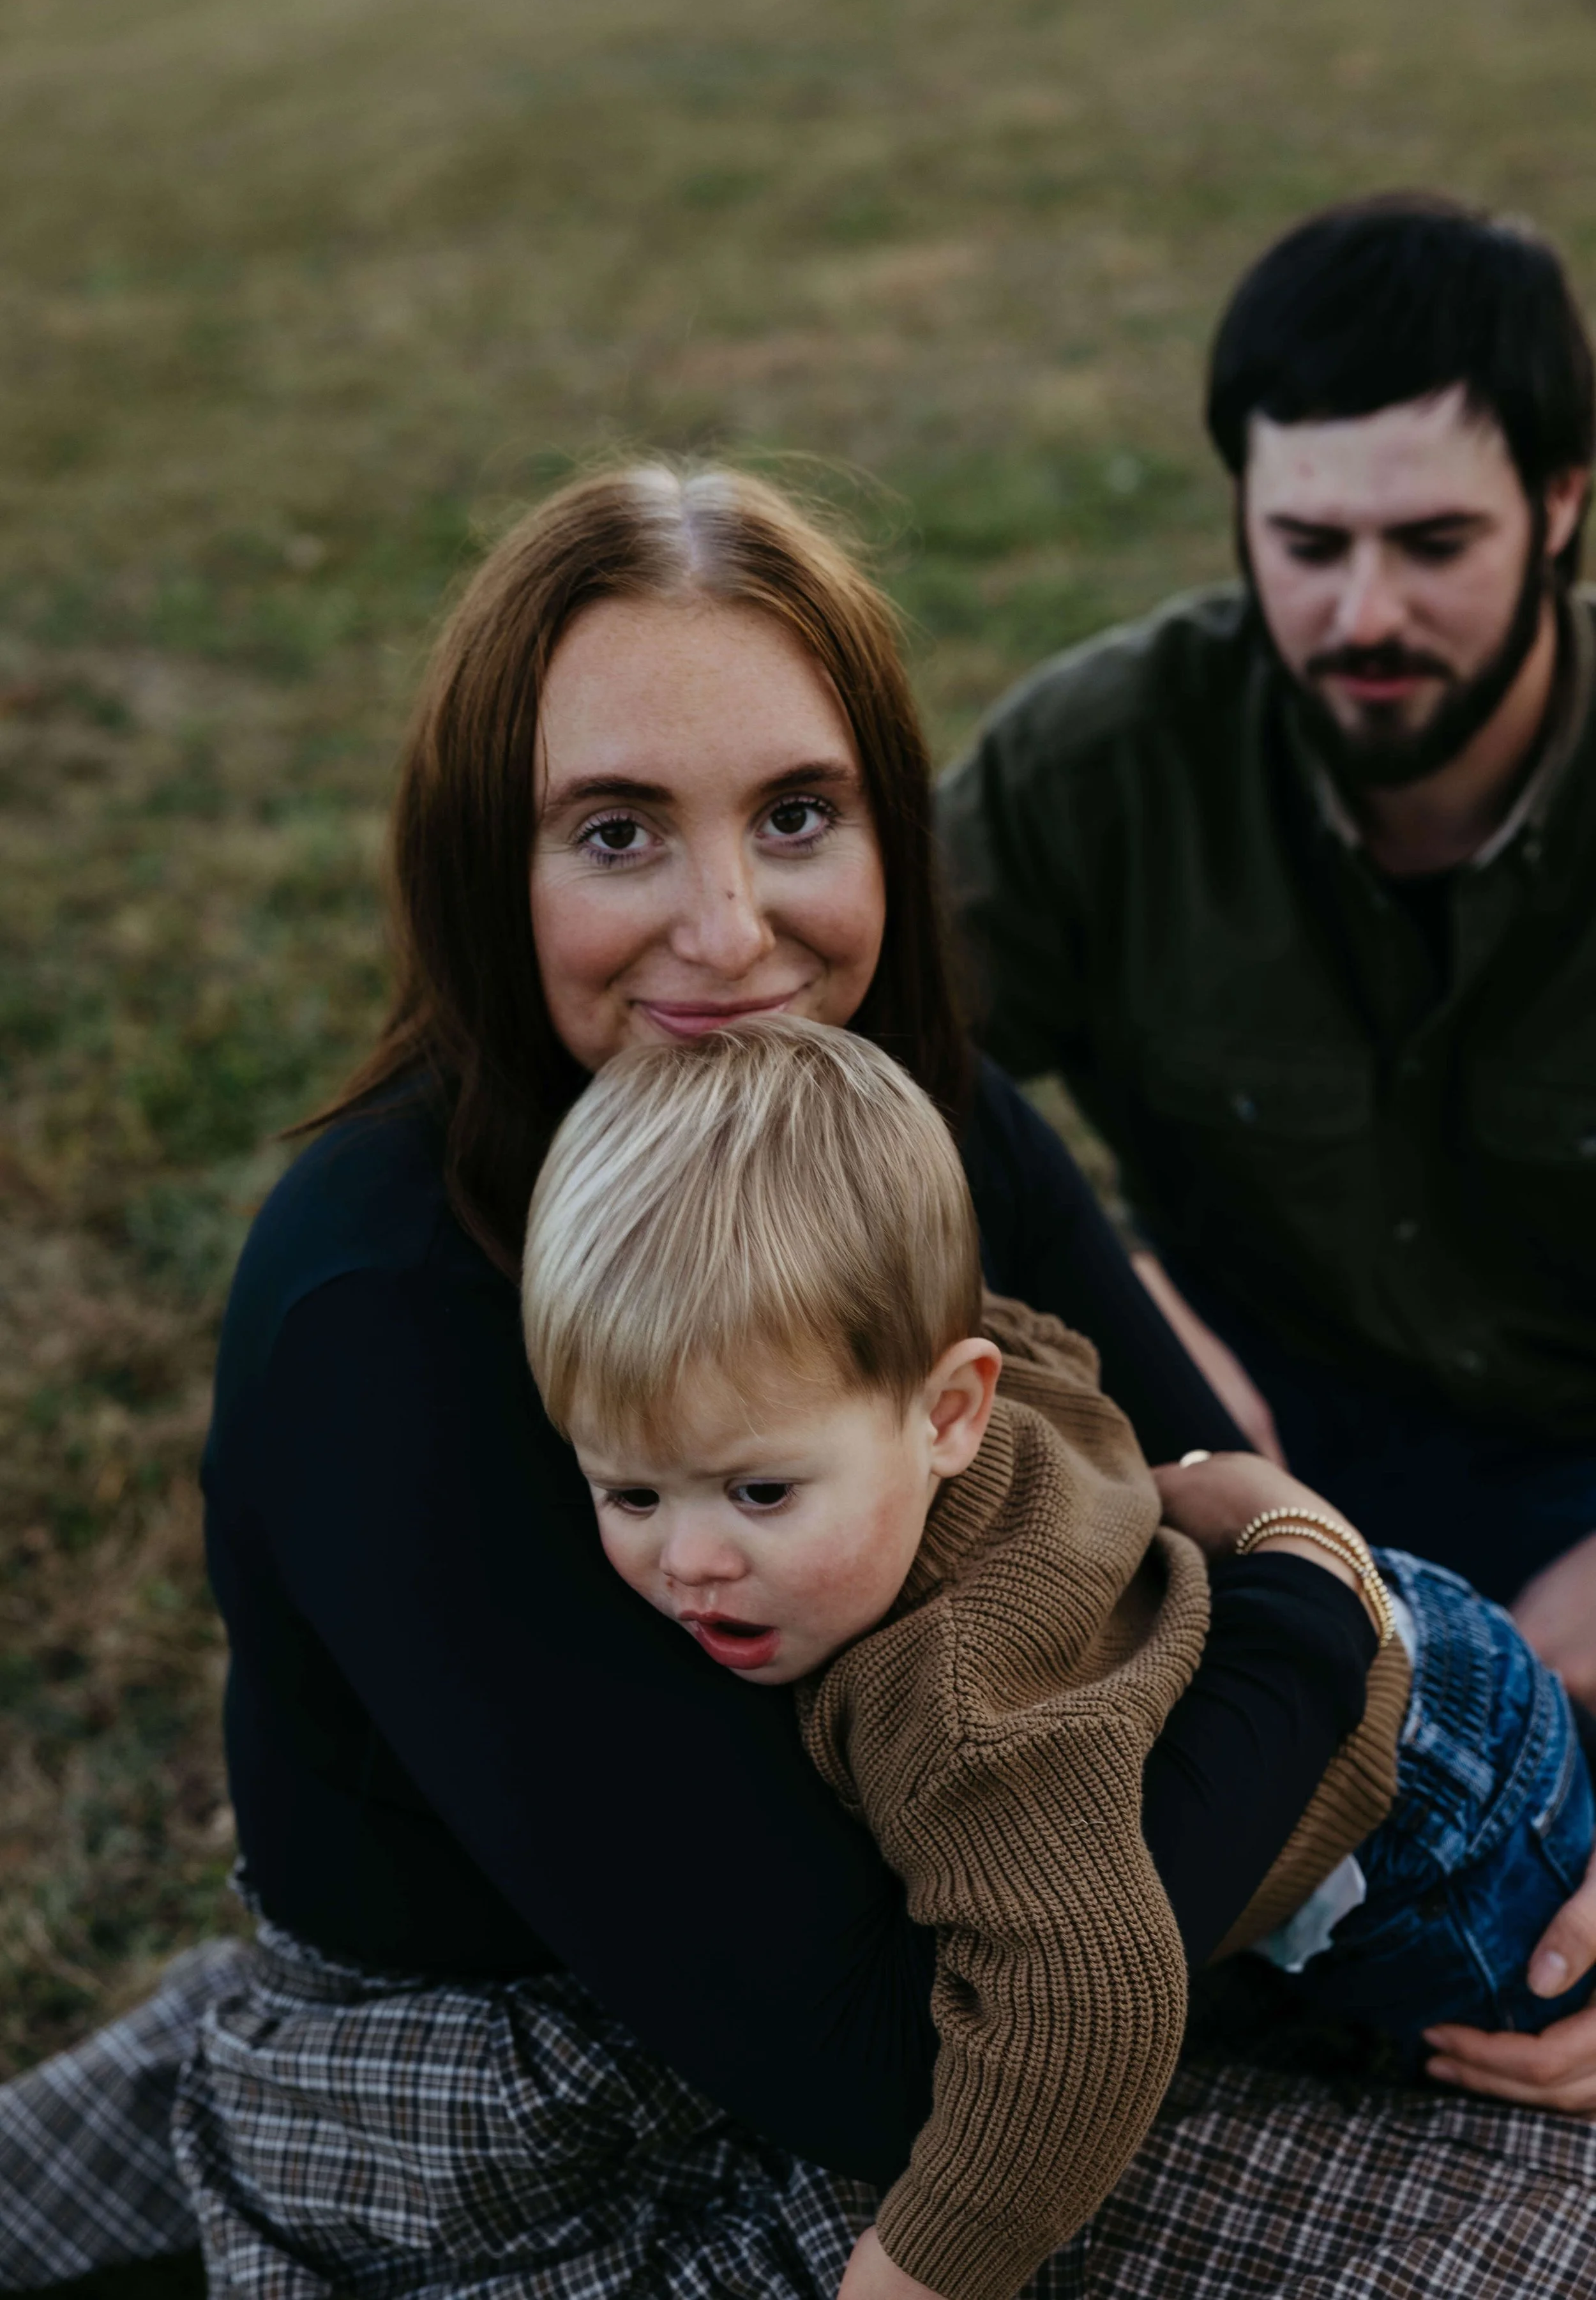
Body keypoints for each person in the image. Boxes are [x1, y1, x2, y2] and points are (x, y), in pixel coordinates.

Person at [0, 465, 1391, 2294]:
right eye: (617, 831)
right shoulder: (386, 1312)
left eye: (797, 813)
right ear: (487, 867)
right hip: (536, 2107)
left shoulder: (895, 1101)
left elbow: (1186, 1459)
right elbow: (886, 2059)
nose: (732, 933)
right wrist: (1319, 1628)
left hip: (992, 1921)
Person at [521, 1011, 1595, 2300]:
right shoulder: (953, 1383)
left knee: (1533, 2074)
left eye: (756, 1494)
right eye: (630, 1496)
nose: (687, 1560)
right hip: (1409, 1651)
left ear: (948, 1414)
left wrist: (920, 2272)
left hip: (1440, 1835)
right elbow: (1060, 1359)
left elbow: (1086, 2005)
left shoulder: (958, 1698)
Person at [940, 198, 1596, 2113]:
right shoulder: (1099, 761)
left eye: (1433, 543)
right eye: (1304, 544)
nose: (1360, 612)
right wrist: (1138, 1346)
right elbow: (861, 1085)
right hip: (1228, 1450)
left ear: (1562, 501)